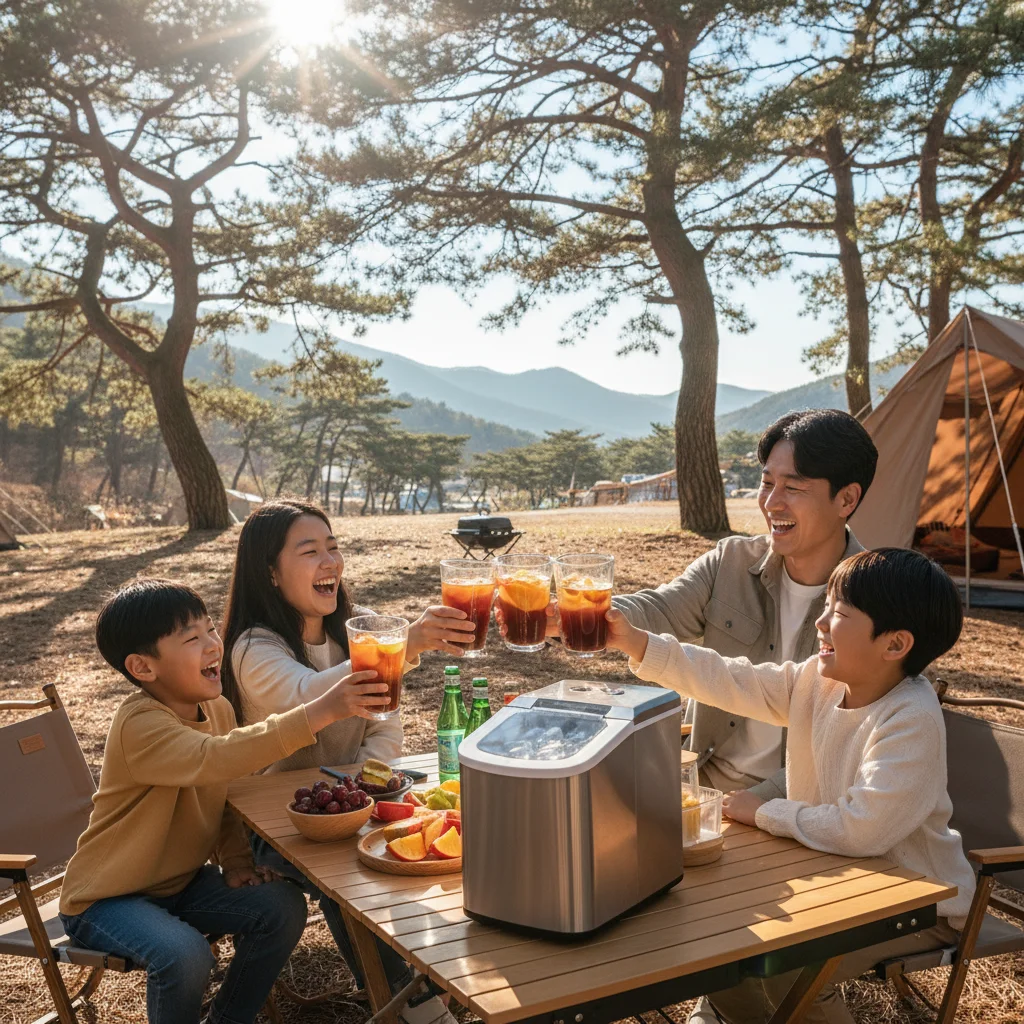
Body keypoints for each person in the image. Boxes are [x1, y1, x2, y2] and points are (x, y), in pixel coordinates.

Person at [604, 548, 976, 1024]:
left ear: (895, 644)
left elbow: (862, 830)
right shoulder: (817, 683)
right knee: (727, 941)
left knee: (790, 970)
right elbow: (730, 679)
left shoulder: (911, 719)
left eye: (839, 613)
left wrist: (762, 811)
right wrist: (637, 642)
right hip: (838, 877)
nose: (820, 623)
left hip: (920, 903)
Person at [59, 579, 391, 1024]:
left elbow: (223, 793)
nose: (213, 644)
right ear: (142, 667)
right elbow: (215, 758)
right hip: (107, 900)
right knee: (185, 955)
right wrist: (321, 711)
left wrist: (236, 861)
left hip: (182, 885)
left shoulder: (217, 711)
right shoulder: (139, 724)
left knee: (282, 907)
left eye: (211, 629)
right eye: (191, 639)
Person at [220, 500, 473, 1024]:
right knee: (352, 877)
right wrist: (402, 646)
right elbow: (305, 698)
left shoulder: (346, 639)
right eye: (310, 551)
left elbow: (384, 724)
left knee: (425, 843)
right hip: (273, 828)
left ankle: (437, 976)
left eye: (333, 547)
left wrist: (365, 787)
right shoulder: (253, 648)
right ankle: (415, 1008)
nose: (329, 561)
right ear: (270, 572)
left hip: (348, 806)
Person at [611, 409, 878, 800]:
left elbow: (849, 749)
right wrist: (581, 611)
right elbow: (657, 611)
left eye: (793, 488)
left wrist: (749, 805)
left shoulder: (879, 599)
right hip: (703, 783)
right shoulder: (730, 561)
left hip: (798, 805)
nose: (772, 503)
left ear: (846, 499)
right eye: (767, 483)